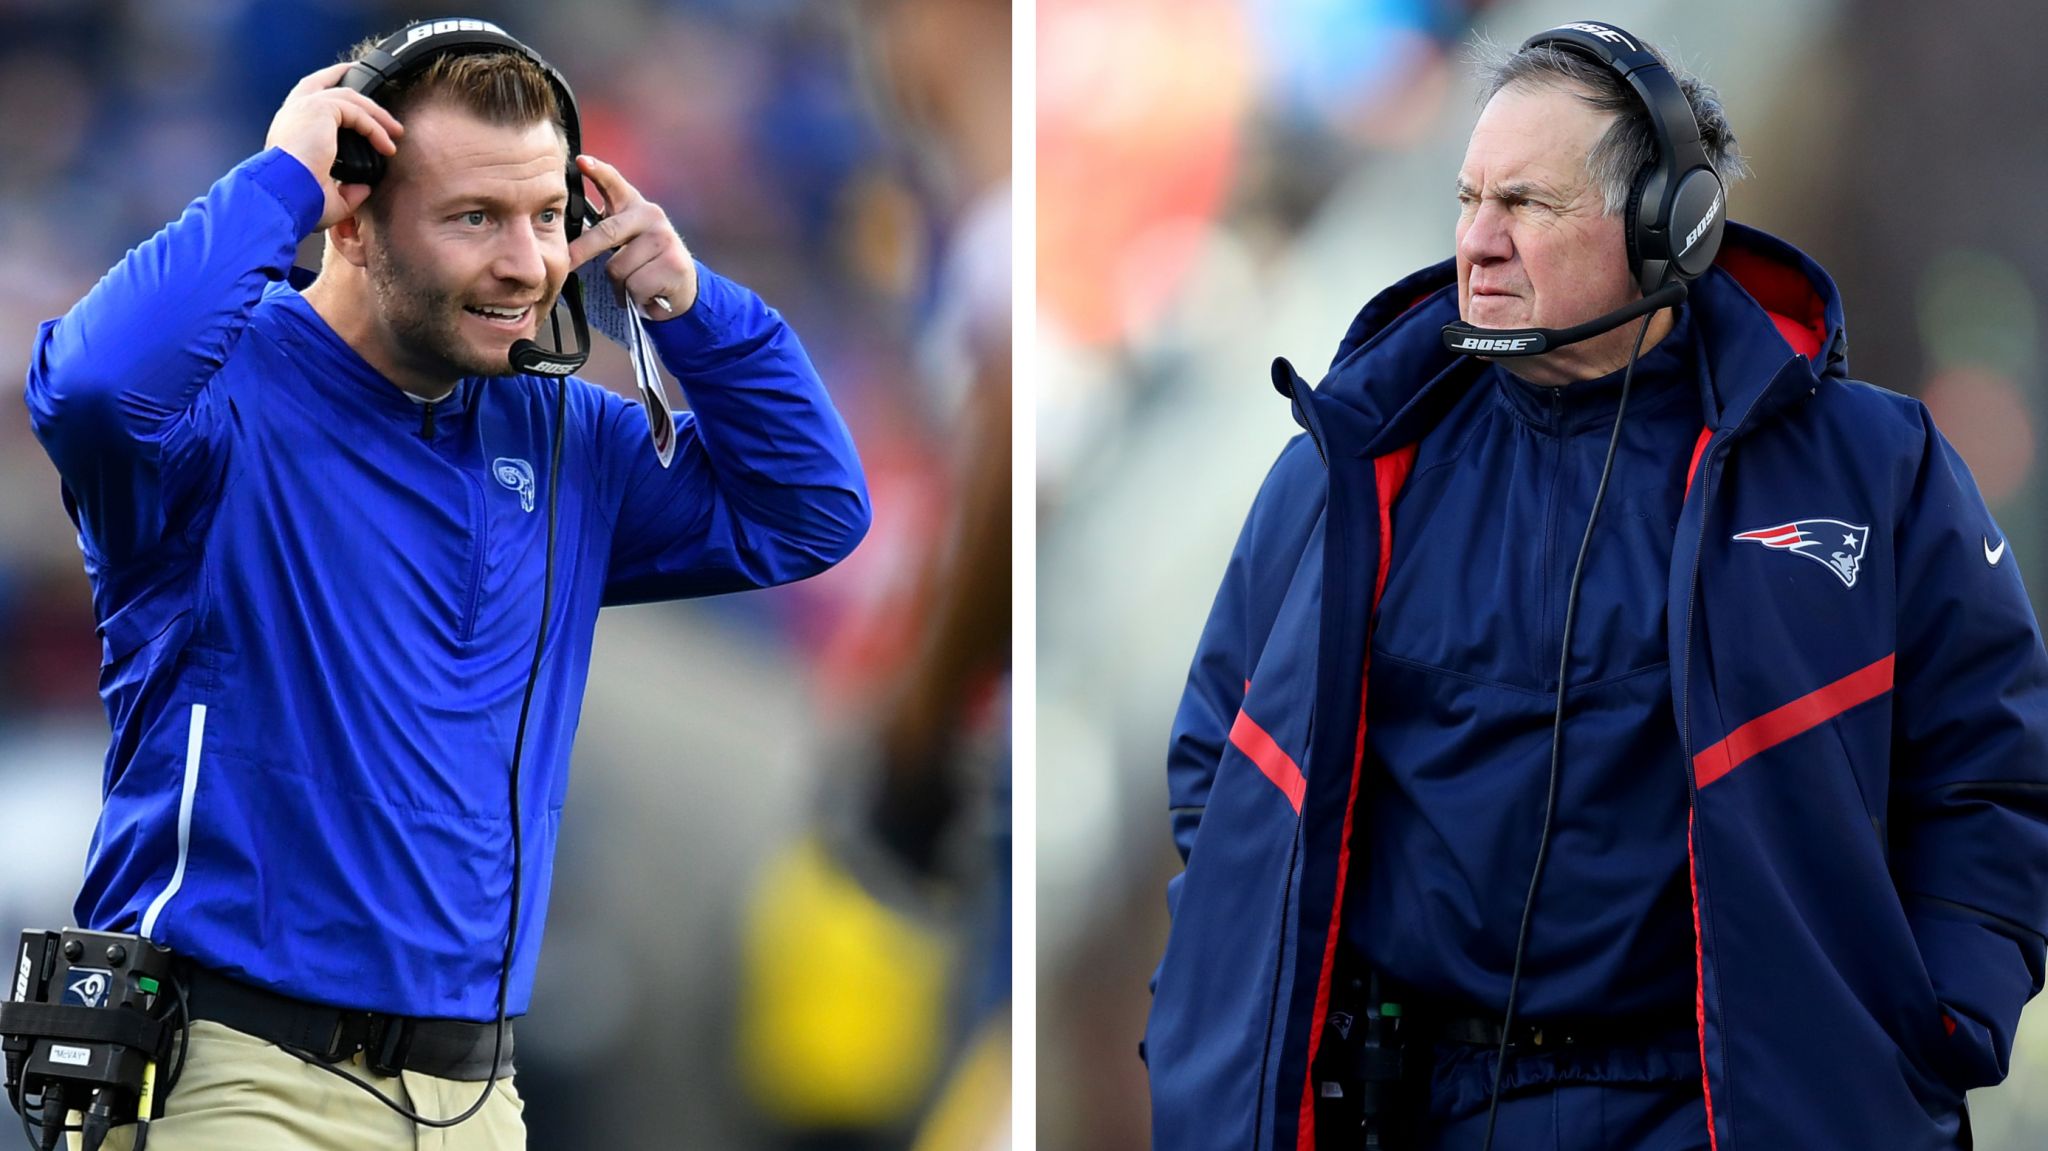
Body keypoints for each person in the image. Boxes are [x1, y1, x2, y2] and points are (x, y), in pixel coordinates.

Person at [1145, 20, 2048, 1151]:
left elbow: (1989, 767)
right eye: (1466, 200)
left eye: (1522, 205)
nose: (1475, 243)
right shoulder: (1348, 467)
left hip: (1731, 1106)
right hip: (1420, 1105)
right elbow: (1215, 774)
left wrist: (1938, 1022)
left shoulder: (1875, 468)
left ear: (1668, 229)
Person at [18, 18, 867, 1151]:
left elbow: (810, 510)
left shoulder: (567, 439)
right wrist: (275, 185)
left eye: (549, 217)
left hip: (476, 1098)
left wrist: (692, 306)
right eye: (474, 217)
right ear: (353, 213)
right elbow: (90, 389)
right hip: (233, 1077)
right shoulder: (216, 402)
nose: (528, 262)